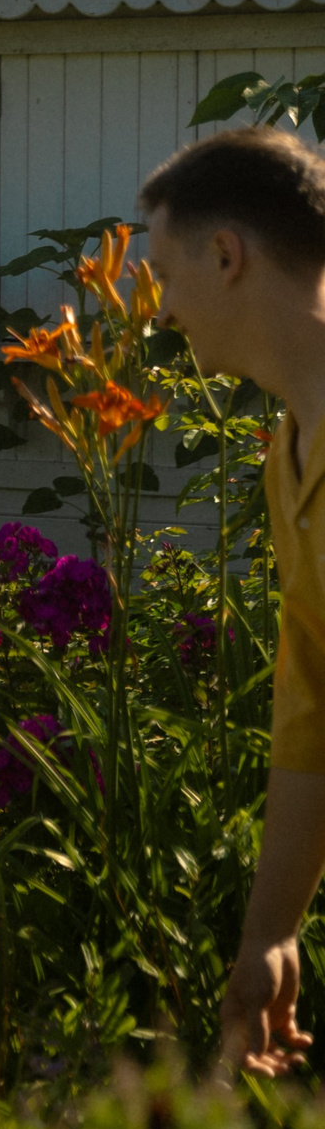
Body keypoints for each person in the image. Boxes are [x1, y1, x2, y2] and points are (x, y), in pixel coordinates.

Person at [141, 126, 325, 1076]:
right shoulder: (288, 457)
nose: (160, 310)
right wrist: (270, 934)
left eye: (163, 274)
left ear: (226, 256)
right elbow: (311, 720)